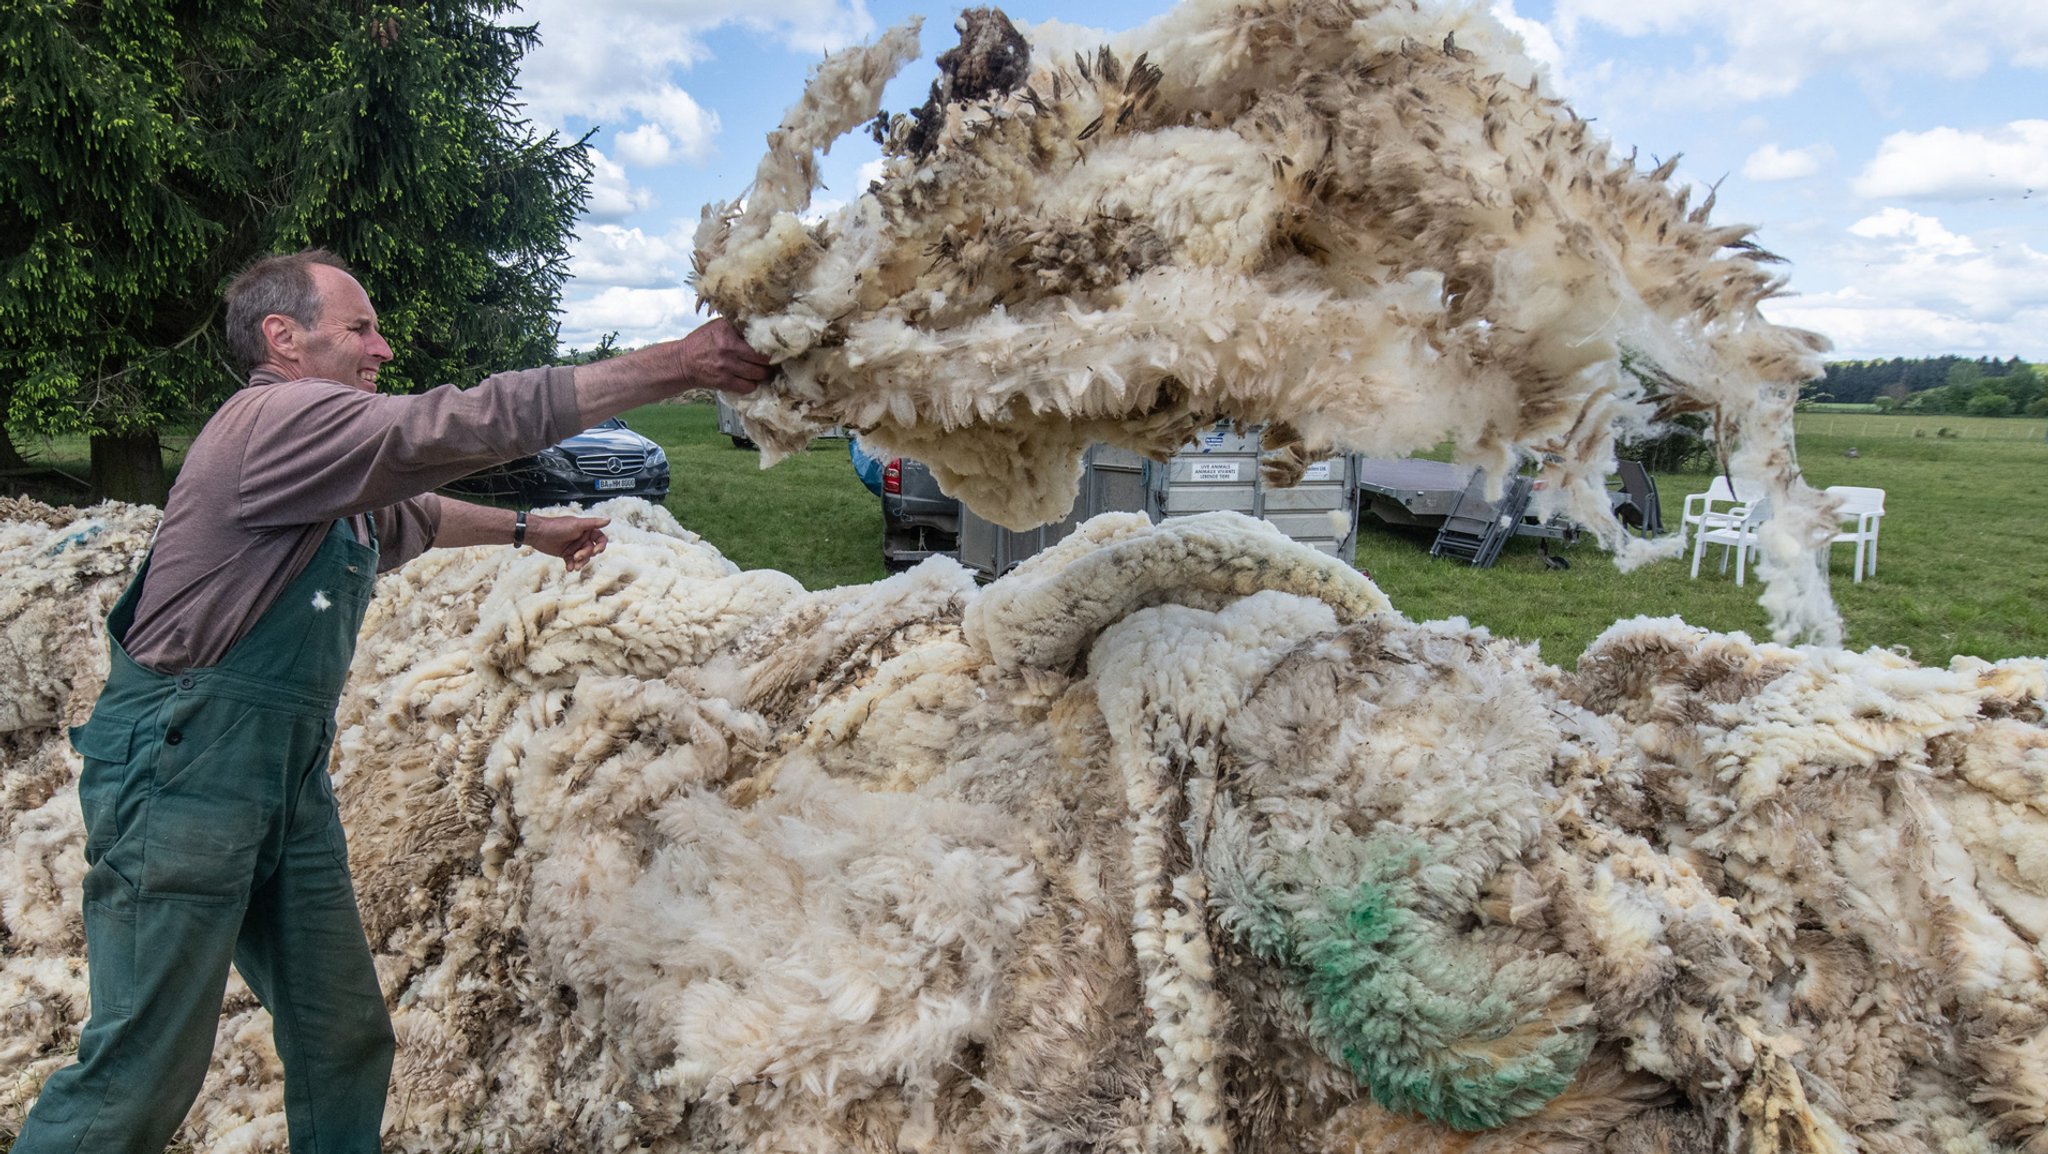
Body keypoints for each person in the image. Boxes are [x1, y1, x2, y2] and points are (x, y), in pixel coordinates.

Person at [12, 248, 773, 1153]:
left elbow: (408, 513)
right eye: (359, 328)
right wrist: (676, 366)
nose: (381, 347)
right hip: (183, 771)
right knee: (138, 1076)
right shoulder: (276, 419)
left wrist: (528, 529)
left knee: (343, 1041)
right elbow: (453, 426)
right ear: (282, 338)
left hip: (284, 783)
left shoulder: (319, 458)